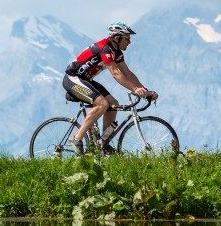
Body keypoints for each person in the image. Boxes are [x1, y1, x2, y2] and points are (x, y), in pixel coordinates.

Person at [62, 21, 158, 155]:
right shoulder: (104, 48)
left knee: (114, 105)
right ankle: (76, 138)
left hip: (85, 80)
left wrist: (144, 90)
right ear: (117, 38)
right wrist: (135, 90)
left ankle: (103, 143)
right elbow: (116, 73)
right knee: (102, 103)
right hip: (72, 79)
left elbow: (127, 73)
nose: (130, 42)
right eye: (127, 38)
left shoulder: (116, 52)